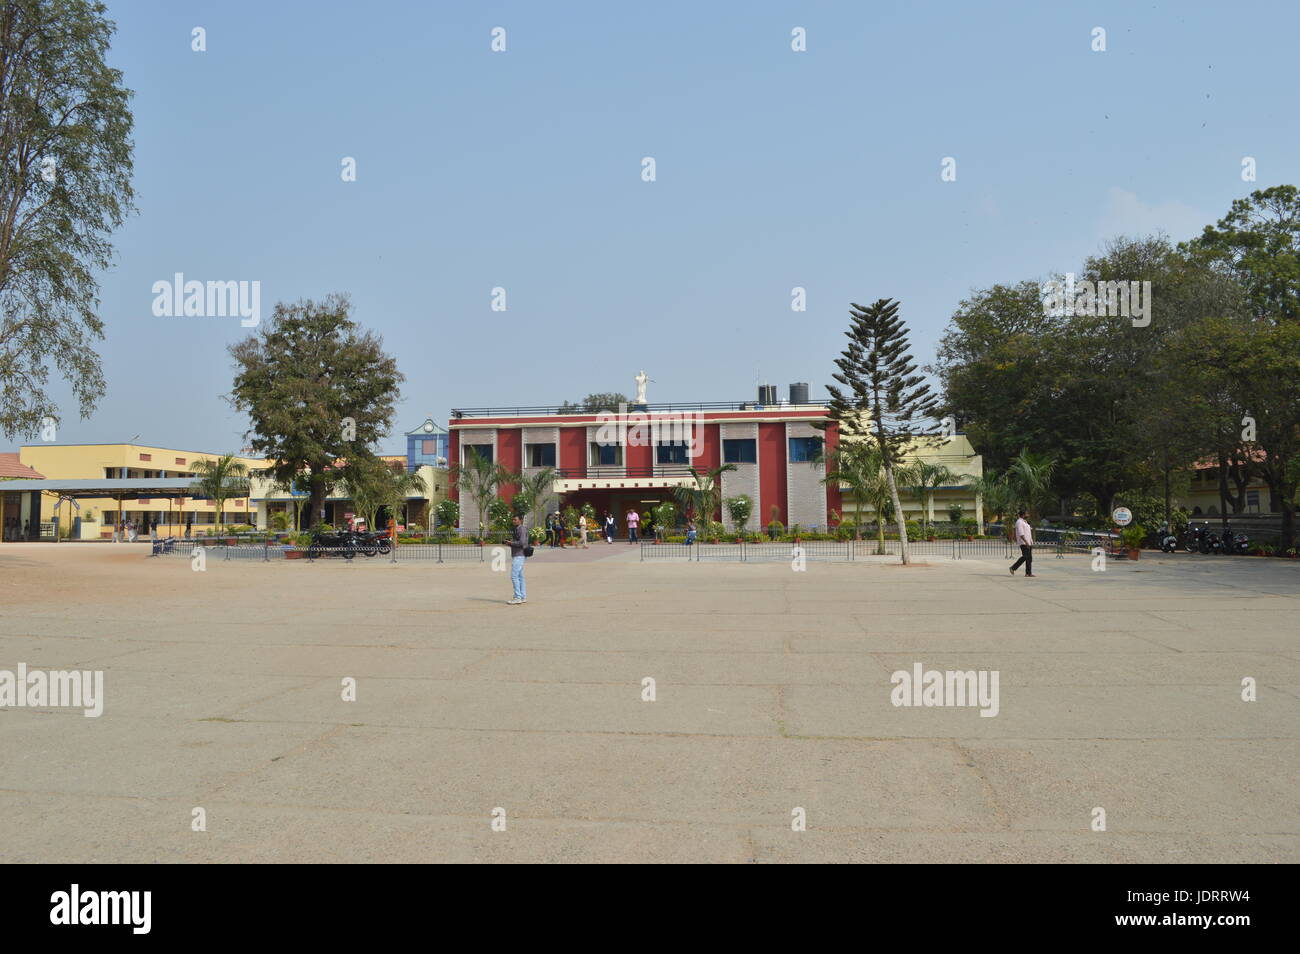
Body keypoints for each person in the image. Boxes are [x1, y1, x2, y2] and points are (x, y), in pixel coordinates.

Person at [507, 515, 528, 604]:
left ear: (520, 520)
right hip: (519, 555)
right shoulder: (518, 529)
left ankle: (517, 597)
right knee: (520, 577)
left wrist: (511, 543)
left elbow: (522, 542)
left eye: (515, 519)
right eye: (513, 519)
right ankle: (522, 596)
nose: (513, 521)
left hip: (519, 555)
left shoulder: (521, 529)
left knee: (514, 576)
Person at [1009, 510, 1035, 577]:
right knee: (1025, 556)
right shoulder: (1019, 522)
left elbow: (1029, 532)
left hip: (1028, 542)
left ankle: (1028, 573)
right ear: (1023, 515)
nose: (1028, 515)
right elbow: (1021, 533)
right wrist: (1026, 542)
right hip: (1024, 542)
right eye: (1027, 514)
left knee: (1029, 558)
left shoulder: (1025, 522)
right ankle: (1013, 568)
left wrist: (1031, 541)